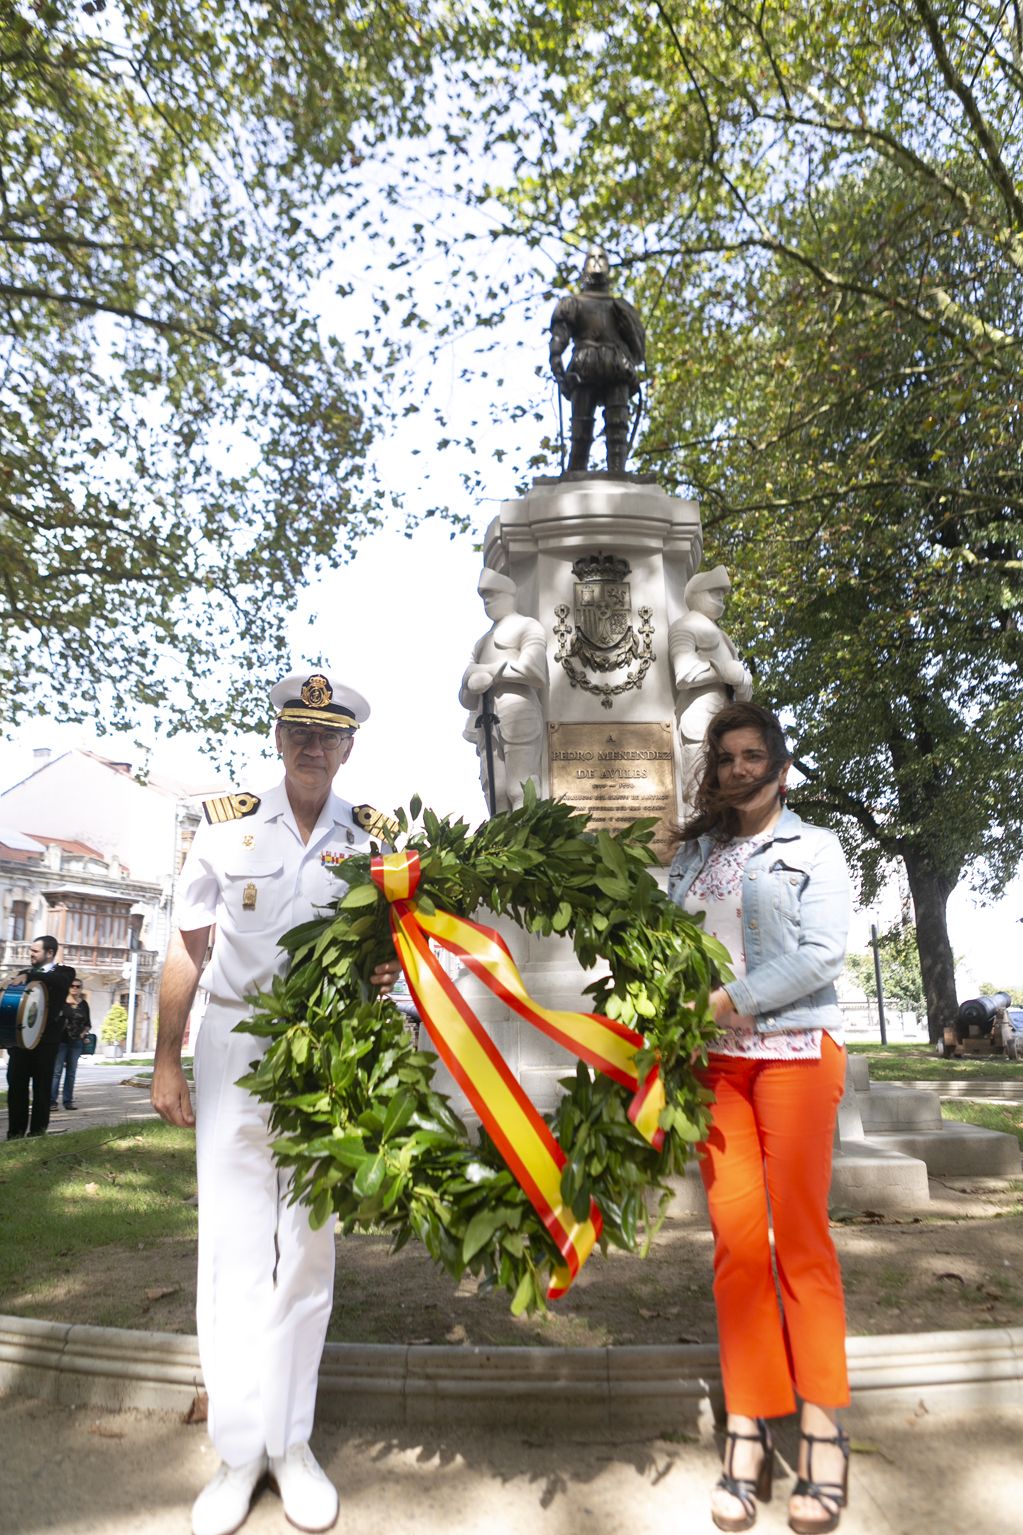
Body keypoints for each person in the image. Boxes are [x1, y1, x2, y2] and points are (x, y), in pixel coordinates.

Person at [151, 669, 401, 1535]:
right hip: (235, 1045)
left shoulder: (375, 840)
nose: (311, 744)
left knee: (306, 1247)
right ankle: (236, 1451)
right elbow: (187, 948)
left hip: (327, 1056)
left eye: (326, 734)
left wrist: (387, 970)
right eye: (297, 728)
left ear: (346, 747)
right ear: (278, 737)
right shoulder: (224, 828)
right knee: (229, 1250)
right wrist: (165, 1061)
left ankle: (290, 1445)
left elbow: (394, 952)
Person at [667, 702, 852, 1535]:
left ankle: (821, 1428)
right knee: (738, 1244)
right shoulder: (696, 856)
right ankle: (746, 1423)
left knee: (801, 1241)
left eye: (752, 754)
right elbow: (660, 941)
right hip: (716, 1068)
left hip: (796, 1051)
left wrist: (726, 1001)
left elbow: (819, 954)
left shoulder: (814, 847)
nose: (737, 767)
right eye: (725, 756)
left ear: (779, 764)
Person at [548, 247, 646, 473]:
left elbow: (638, 351)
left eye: (602, 258)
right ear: (584, 266)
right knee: (581, 427)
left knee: (618, 424)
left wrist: (628, 331)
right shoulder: (573, 304)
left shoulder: (620, 307)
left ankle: (617, 471)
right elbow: (559, 336)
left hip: (616, 367)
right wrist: (556, 359)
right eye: (592, 258)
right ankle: (575, 471)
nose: (597, 262)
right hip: (585, 367)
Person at [459, 569, 547, 814]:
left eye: (493, 595)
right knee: (494, 791)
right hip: (484, 717)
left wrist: (489, 672)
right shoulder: (482, 642)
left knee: (521, 786)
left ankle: (528, 845)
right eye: (484, 598)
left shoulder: (527, 626)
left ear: (510, 595)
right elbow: (465, 697)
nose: (488, 602)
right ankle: (502, 849)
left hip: (518, 710)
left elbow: (536, 671)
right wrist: (471, 682)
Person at [668, 565, 753, 809]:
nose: (720, 600)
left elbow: (739, 692)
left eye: (722, 595)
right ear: (698, 593)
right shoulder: (685, 626)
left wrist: (742, 681)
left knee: (726, 798)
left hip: (725, 723)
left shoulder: (722, 636)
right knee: (699, 797)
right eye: (715, 593)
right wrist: (723, 671)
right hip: (700, 723)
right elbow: (684, 674)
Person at [5, 935, 76, 1138]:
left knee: (42, 1088)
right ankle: (15, 1133)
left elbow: (59, 982)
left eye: (35, 951)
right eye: (31, 951)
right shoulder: (25, 973)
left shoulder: (65, 972)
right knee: (16, 1087)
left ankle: (37, 1132)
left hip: (47, 1043)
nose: (31, 954)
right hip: (21, 1043)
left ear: (50, 953)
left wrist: (29, 974)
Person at [51, 978, 91, 1111]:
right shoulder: (62, 1003)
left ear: (80, 988)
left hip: (76, 1043)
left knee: (71, 1073)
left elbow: (87, 1024)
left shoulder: (83, 1004)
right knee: (56, 1072)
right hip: (62, 1041)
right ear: (68, 987)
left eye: (78, 986)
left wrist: (84, 1033)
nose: (75, 988)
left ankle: (68, 1101)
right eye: (72, 986)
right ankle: (52, 1102)